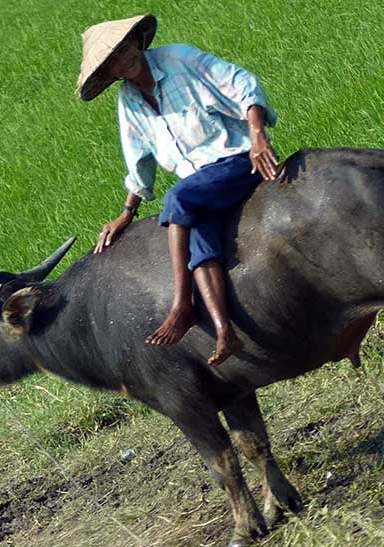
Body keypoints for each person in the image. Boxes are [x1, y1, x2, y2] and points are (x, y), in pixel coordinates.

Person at [75, 15, 281, 366]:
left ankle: (182, 304)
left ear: (136, 41)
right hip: (199, 184)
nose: (122, 57)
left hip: (235, 161)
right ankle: (224, 331)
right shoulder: (129, 100)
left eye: (124, 47)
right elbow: (139, 159)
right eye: (112, 59)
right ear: (109, 72)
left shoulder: (179, 59)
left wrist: (258, 135)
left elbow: (241, 82)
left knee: (178, 199)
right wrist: (127, 212)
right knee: (200, 244)